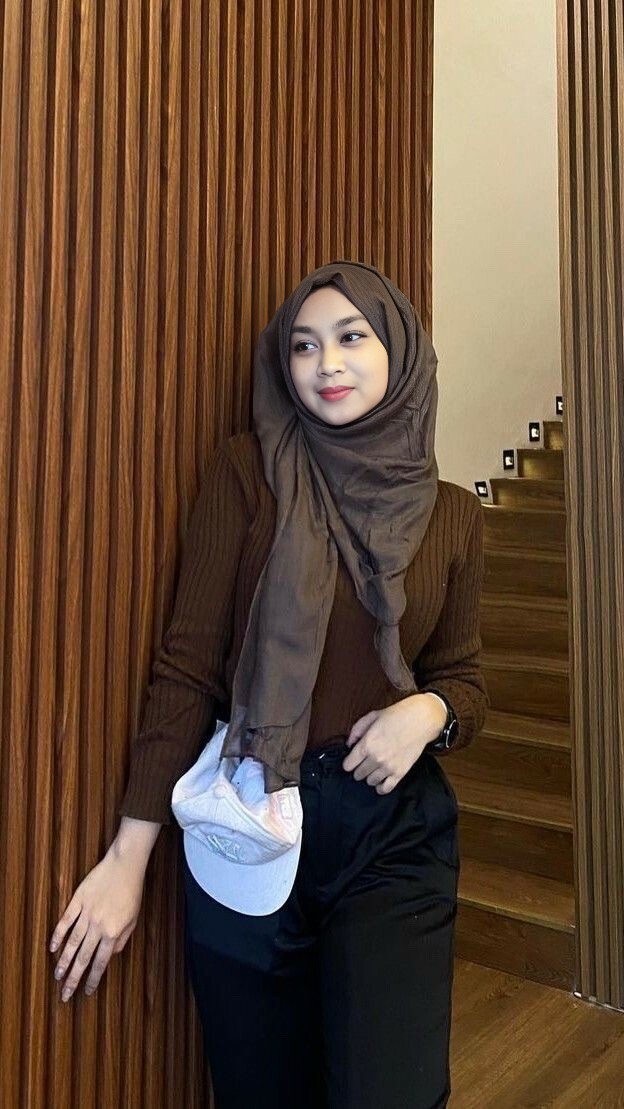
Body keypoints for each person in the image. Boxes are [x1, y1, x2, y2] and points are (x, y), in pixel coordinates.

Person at [48, 260, 489, 1108]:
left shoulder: (454, 516)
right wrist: (128, 858)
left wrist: (427, 712)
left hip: (389, 833)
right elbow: (186, 665)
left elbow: (464, 680)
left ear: (399, 349)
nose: (327, 363)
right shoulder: (248, 473)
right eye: (303, 345)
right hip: (246, 817)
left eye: (351, 337)